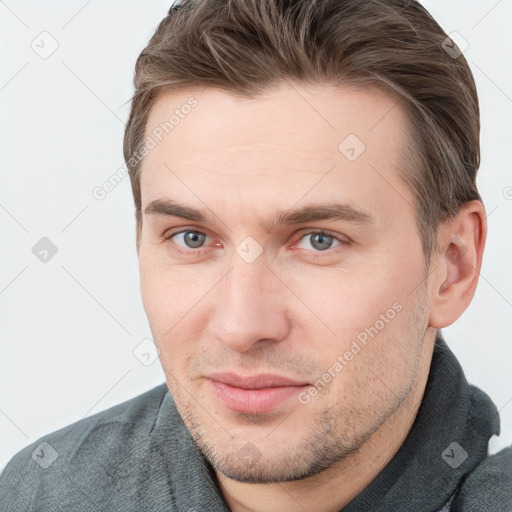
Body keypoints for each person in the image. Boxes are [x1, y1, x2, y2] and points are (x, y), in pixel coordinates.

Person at [1, 0, 511, 510]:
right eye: (192, 238)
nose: (241, 326)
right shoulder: (42, 493)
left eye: (319, 241)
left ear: (452, 267)